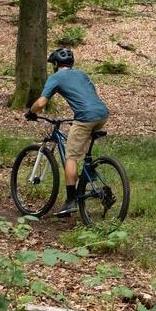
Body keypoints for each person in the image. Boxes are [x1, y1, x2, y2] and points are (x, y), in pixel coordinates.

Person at [25, 48, 110, 216]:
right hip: (102, 114)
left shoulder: (55, 77)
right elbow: (88, 94)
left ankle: (70, 202)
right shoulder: (82, 74)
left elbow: (41, 103)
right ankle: (88, 173)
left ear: (56, 64)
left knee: (71, 157)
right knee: (80, 142)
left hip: (85, 117)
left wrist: (31, 112)